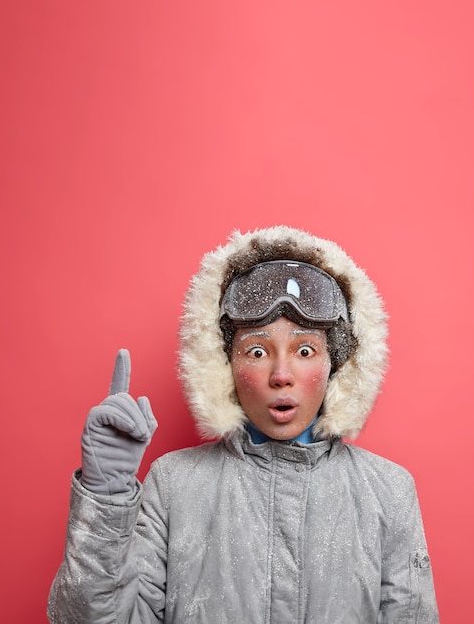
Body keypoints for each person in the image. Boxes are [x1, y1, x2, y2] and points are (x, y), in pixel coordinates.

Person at [48, 225, 439, 623]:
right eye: (256, 350)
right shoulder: (173, 486)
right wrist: (107, 500)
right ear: (225, 365)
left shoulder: (388, 492)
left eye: (305, 350)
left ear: (335, 364)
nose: (281, 374)